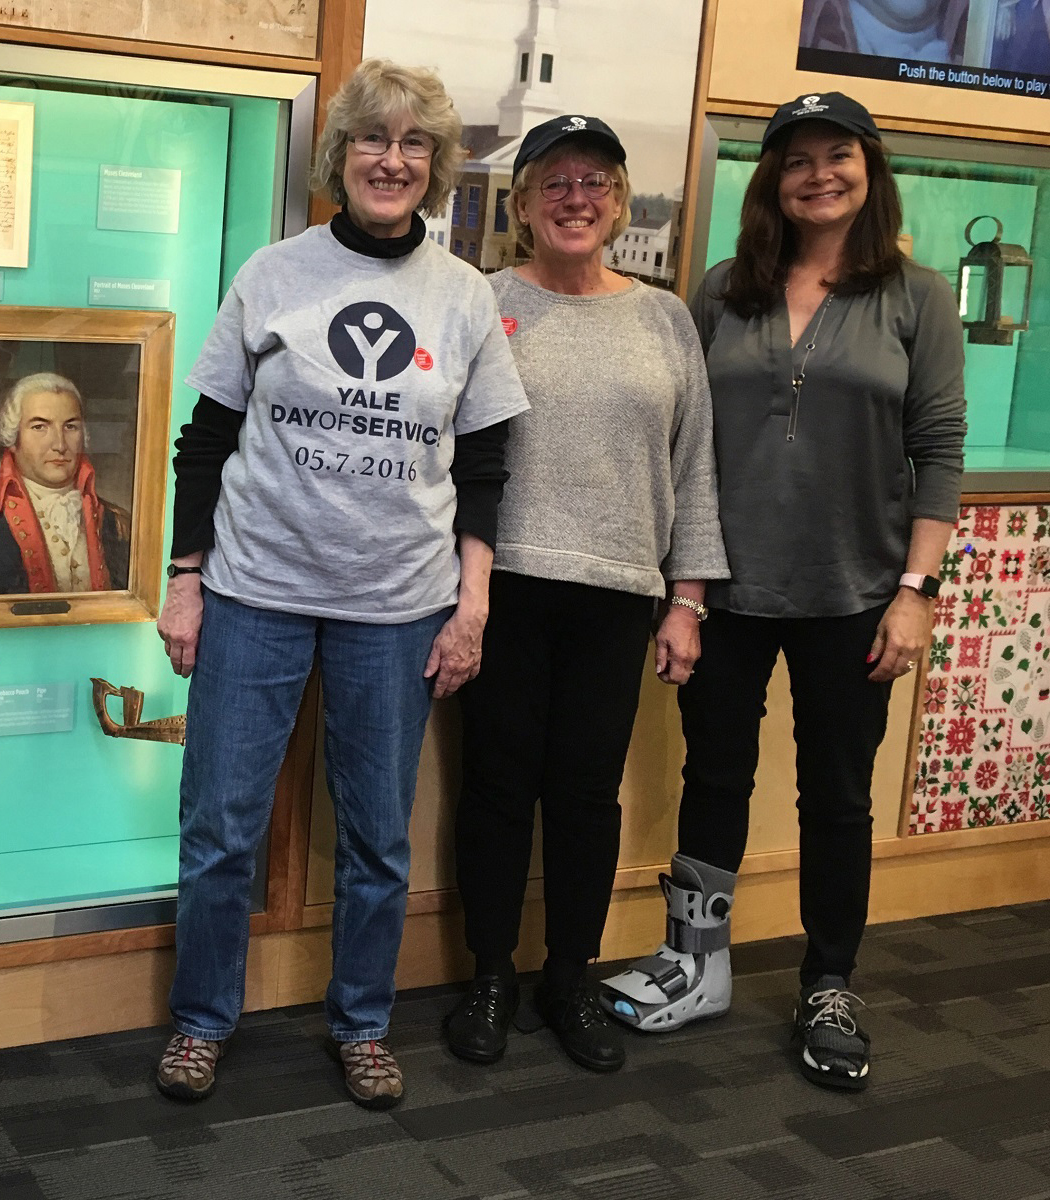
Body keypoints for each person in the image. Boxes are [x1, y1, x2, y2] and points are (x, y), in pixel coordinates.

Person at [153, 58, 530, 1109]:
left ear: (438, 167)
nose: (393, 160)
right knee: (222, 824)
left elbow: (490, 466)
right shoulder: (273, 274)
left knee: (377, 837)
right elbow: (206, 441)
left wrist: (475, 601)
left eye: (414, 145)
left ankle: (362, 1024)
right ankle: (200, 1021)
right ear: (340, 157)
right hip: (253, 591)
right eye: (373, 140)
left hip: (396, 607)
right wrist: (186, 581)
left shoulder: (461, 298)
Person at [599, 92, 966, 1092]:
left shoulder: (917, 298)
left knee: (837, 797)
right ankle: (698, 961)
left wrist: (917, 591)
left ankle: (830, 981)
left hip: (857, 591)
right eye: (796, 159)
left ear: (869, 166)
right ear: (772, 180)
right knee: (713, 779)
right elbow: (689, 440)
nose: (817, 174)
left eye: (836, 155)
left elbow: (938, 455)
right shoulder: (726, 289)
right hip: (727, 586)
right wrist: (684, 588)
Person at [441, 115, 728, 1075]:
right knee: (492, 788)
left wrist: (685, 598)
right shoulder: (480, 304)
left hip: (617, 593)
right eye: (553, 183)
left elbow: (693, 469)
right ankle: (489, 974)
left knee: (583, 796)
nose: (576, 199)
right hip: (501, 583)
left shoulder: (662, 316)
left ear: (618, 201)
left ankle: (568, 975)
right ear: (520, 204)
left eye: (595, 183)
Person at [0, 371, 133, 594]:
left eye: (70, 426)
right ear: (13, 439)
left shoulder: (118, 524)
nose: (59, 444)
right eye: (39, 427)